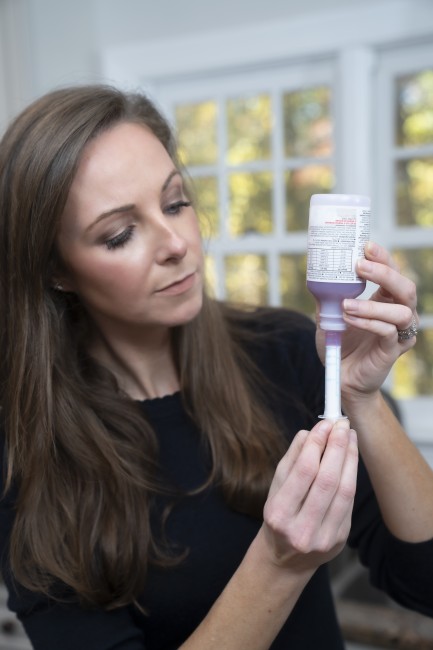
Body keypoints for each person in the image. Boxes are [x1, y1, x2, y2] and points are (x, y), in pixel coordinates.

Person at [0, 85, 432, 650]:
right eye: (120, 233)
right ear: (57, 271)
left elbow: (425, 583)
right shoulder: (29, 461)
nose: (176, 242)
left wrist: (364, 400)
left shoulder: (284, 351)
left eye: (175, 202)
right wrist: (279, 563)